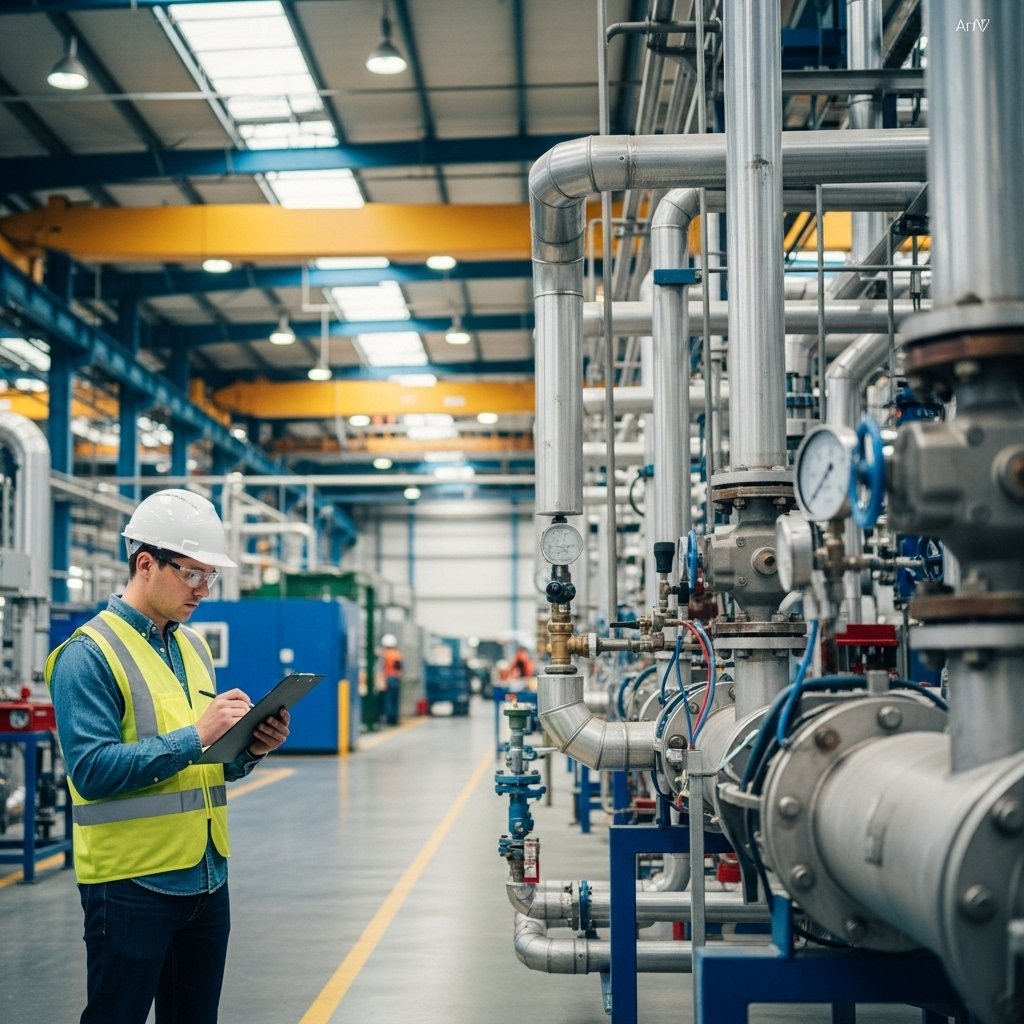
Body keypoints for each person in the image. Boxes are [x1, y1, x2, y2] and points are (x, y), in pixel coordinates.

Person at [46, 488, 291, 1024]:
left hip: (206, 876)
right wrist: (195, 735)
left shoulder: (192, 647)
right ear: (145, 563)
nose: (204, 590)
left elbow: (202, 761)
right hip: (130, 885)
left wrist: (249, 750)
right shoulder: (87, 656)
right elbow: (91, 772)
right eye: (193, 574)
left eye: (211, 576)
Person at [378, 633, 403, 727]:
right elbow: (399, 667)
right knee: (394, 699)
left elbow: (381, 667)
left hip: (387, 678)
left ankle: (389, 719)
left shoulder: (384, 654)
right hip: (395, 678)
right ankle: (394, 719)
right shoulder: (397, 653)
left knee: (388, 700)